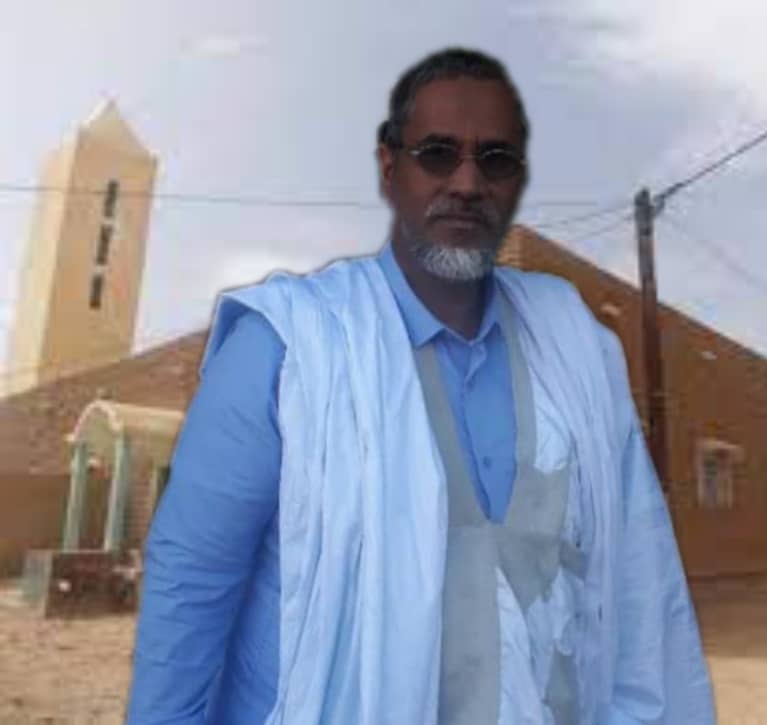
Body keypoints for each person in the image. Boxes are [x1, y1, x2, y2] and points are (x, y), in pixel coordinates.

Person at [126, 47, 715, 725]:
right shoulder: (289, 347)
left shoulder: (577, 351)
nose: (467, 181)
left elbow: (643, 589)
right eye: (437, 153)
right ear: (389, 166)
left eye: (495, 159)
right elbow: (192, 581)